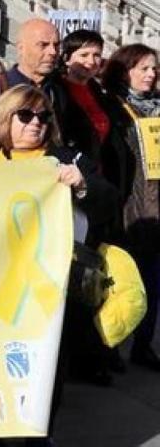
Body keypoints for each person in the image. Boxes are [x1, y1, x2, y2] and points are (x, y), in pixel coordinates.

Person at [0, 83, 121, 396]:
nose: (36, 122)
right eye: (26, 115)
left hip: (51, 289)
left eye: (43, 116)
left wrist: (82, 185)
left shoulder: (68, 160)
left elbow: (109, 201)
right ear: (4, 119)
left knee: (45, 372)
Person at [101, 43, 160, 370]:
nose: (151, 75)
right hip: (125, 205)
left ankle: (143, 344)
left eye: (154, 69)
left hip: (156, 205)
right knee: (119, 280)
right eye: (143, 69)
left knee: (153, 282)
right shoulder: (112, 107)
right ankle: (110, 344)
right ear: (125, 71)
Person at [0, 18, 68, 159]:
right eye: (43, 45)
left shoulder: (58, 90)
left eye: (56, 45)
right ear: (21, 48)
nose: (53, 52)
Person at [56, 29, 134, 211]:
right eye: (84, 55)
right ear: (67, 58)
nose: (90, 61)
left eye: (96, 55)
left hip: (100, 175)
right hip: (72, 175)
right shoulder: (57, 89)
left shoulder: (99, 92)